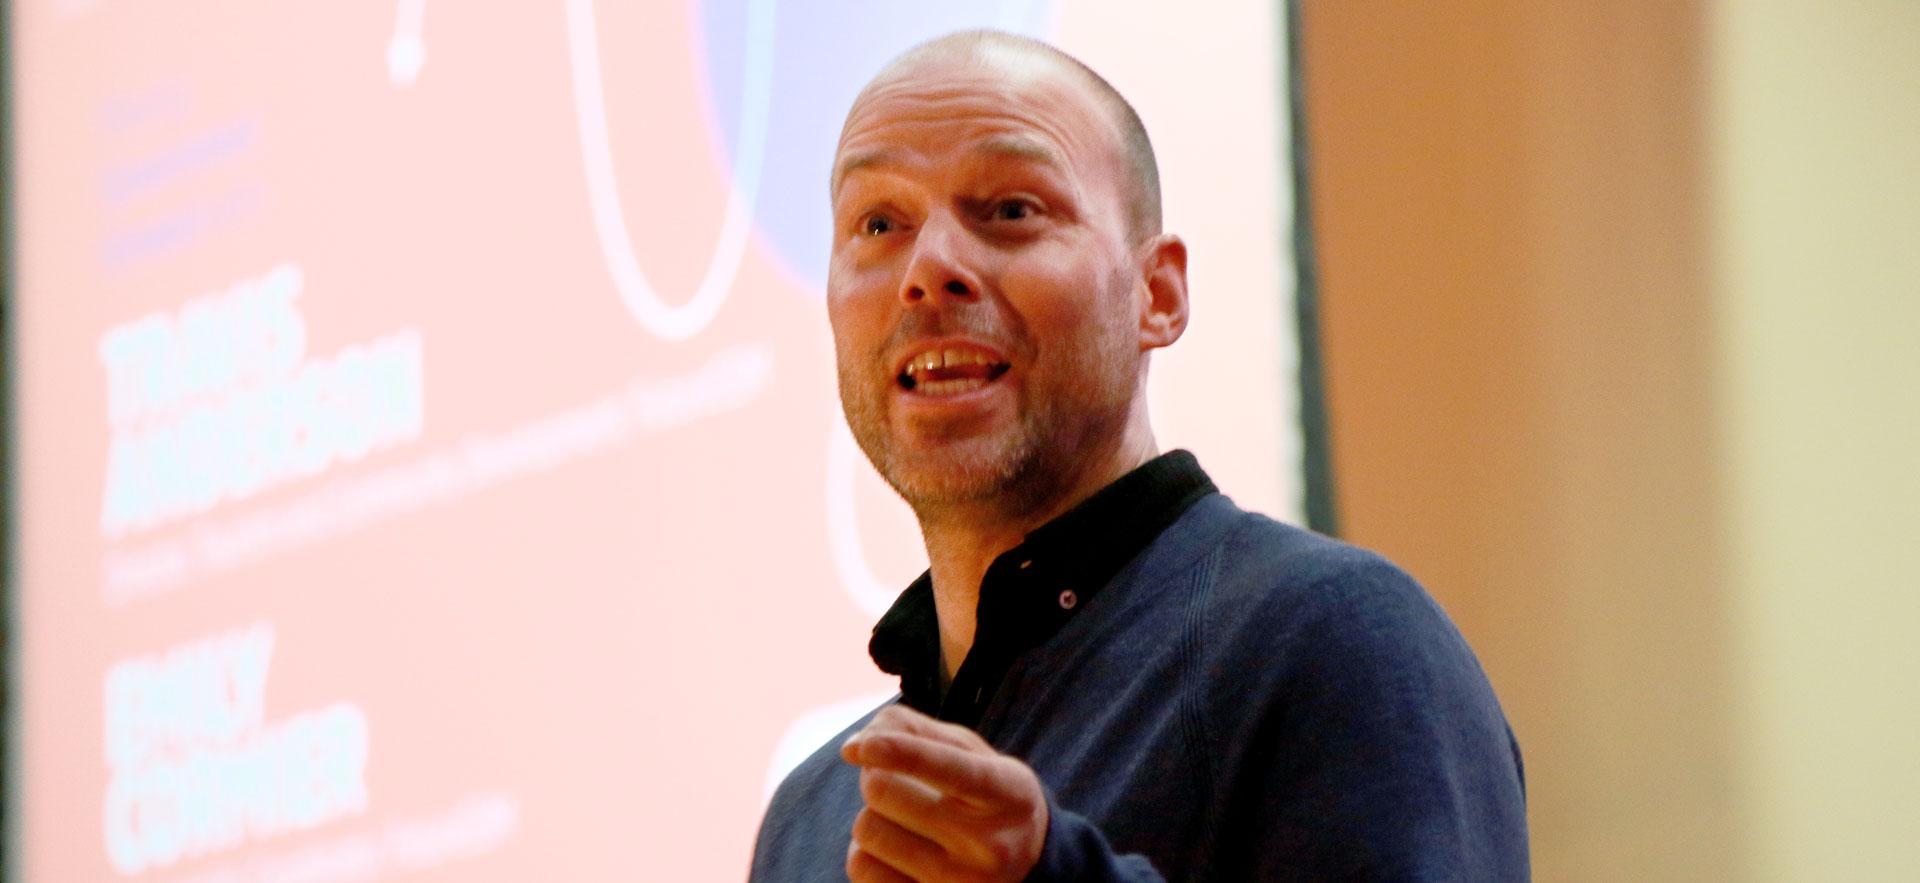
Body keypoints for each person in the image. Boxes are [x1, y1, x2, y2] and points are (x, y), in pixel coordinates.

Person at [751, 30, 1529, 882]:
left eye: (1011, 210)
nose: (929, 267)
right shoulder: (811, 816)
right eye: (877, 223)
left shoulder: (1334, 641)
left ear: (1156, 295)